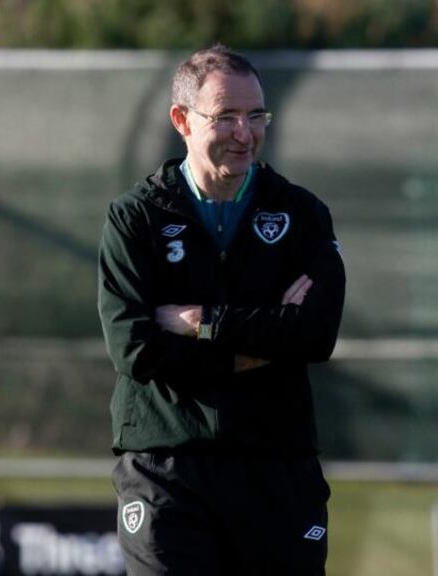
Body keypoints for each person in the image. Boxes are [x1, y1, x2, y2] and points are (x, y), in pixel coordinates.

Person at [98, 44, 345, 575]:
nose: (245, 132)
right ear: (181, 121)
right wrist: (256, 347)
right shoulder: (135, 218)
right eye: (227, 116)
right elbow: (137, 350)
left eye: (256, 115)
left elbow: (315, 334)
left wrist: (203, 323)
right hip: (167, 468)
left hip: (276, 465)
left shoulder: (301, 214)